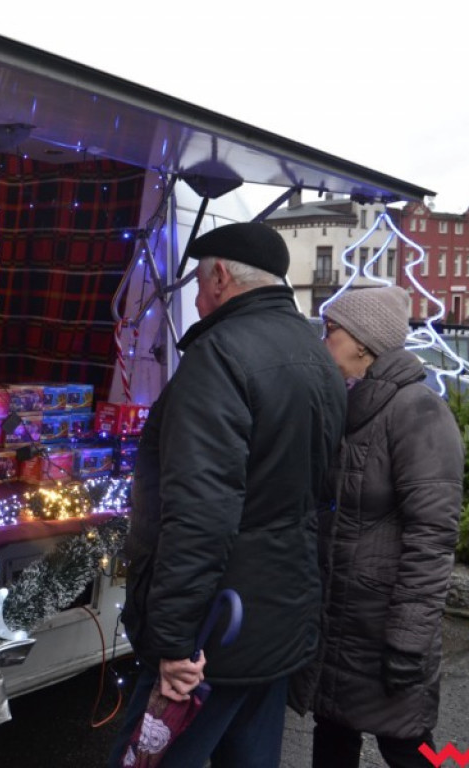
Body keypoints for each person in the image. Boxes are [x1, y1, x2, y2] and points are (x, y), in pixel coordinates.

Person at [109, 222, 347, 768]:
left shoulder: (219, 357)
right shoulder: (315, 355)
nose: (195, 297)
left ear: (219, 276)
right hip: (277, 616)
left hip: (216, 627)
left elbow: (200, 513)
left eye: (197, 280)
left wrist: (172, 643)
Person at [294, 285, 463, 768]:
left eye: (332, 332)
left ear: (364, 342)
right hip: (341, 620)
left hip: (385, 626)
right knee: (333, 733)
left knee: (407, 744)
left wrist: (408, 641)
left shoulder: (419, 412)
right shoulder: (348, 407)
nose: (323, 342)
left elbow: (432, 539)